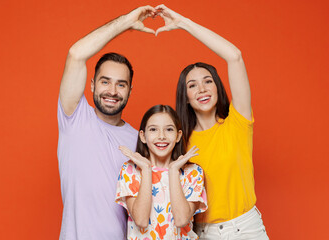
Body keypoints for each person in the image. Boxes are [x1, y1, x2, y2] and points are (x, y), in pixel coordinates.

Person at [154, 4, 270, 240]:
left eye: (208, 81)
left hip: (247, 228)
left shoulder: (237, 123)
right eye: (192, 85)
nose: (202, 89)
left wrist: (184, 23)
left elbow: (234, 56)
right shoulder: (180, 141)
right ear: (185, 97)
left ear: (218, 87)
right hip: (204, 233)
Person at [57, 6, 158, 240]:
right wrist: (126, 22)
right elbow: (76, 54)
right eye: (105, 82)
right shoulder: (74, 117)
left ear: (130, 90)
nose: (112, 91)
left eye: (121, 84)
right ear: (92, 84)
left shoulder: (139, 140)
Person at [115, 105, 208, 239]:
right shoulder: (130, 171)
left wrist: (173, 171)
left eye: (169, 129)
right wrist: (146, 170)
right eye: (153, 129)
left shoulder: (193, 172)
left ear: (178, 136)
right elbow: (141, 220)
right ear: (143, 136)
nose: (161, 136)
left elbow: (181, 220)